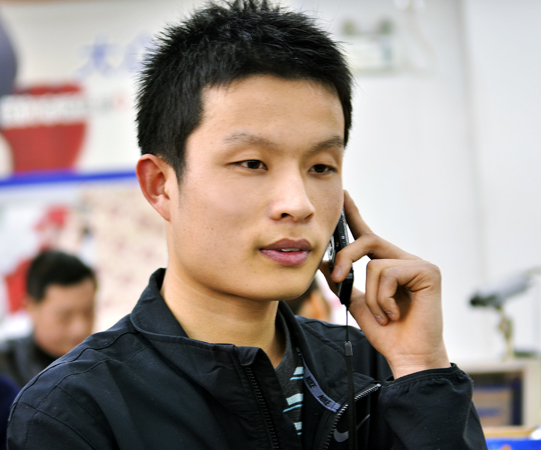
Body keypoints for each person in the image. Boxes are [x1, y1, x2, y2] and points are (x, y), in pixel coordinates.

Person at [7, 1, 486, 448]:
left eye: (321, 167)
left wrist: (422, 368)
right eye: (252, 163)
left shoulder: (380, 368)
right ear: (161, 185)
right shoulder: (76, 409)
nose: (298, 204)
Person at [0, 249, 95, 387]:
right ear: (30, 308)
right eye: (65, 316)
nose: (80, 328)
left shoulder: (106, 362)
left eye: (88, 312)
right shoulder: (5, 368)